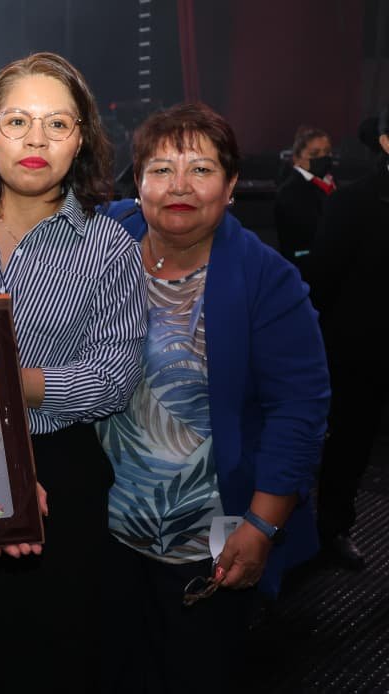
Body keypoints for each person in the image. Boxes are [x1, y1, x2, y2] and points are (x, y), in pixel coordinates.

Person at [0, 52, 147, 691]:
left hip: (60, 468)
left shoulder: (108, 245)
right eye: (17, 121)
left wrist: (14, 383)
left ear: (81, 140)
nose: (36, 140)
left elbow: (116, 373)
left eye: (57, 124)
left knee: (50, 654)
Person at [96, 102, 330, 693]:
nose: (179, 186)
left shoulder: (266, 279)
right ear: (137, 183)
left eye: (200, 169)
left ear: (230, 187)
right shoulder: (102, 241)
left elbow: (298, 409)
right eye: (160, 169)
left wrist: (262, 525)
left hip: (207, 539)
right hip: (103, 532)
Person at [309, 105, 389, 571]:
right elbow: (322, 281)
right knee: (349, 447)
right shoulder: (352, 203)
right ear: (385, 143)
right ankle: (331, 528)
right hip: (362, 354)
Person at [274, 125, 335, 279]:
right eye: (315, 154)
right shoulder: (290, 191)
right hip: (305, 270)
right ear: (297, 158)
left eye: (327, 152)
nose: (323, 157)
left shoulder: (331, 183)